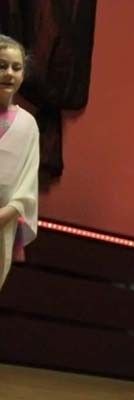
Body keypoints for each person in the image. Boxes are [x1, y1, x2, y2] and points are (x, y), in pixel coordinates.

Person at [0, 34, 39, 290]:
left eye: (16, 67)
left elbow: (27, 189)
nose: (9, 73)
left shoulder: (28, 125)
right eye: (2, 66)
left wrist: (5, 214)